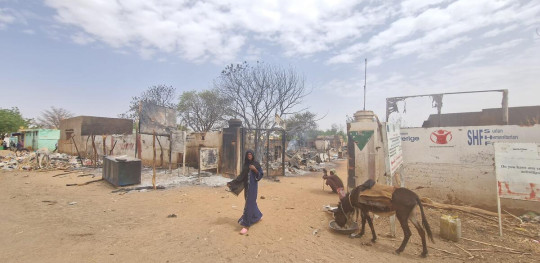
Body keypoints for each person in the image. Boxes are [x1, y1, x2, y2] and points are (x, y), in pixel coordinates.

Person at [227, 150, 264, 235]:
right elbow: (241, 177)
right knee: (251, 203)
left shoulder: (256, 164)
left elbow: (260, 175)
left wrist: (255, 170)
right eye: (248, 154)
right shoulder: (246, 165)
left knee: (249, 204)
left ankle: (246, 225)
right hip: (247, 187)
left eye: (251, 154)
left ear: (253, 155)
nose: (249, 156)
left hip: (253, 187)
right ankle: (258, 216)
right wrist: (232, 183)